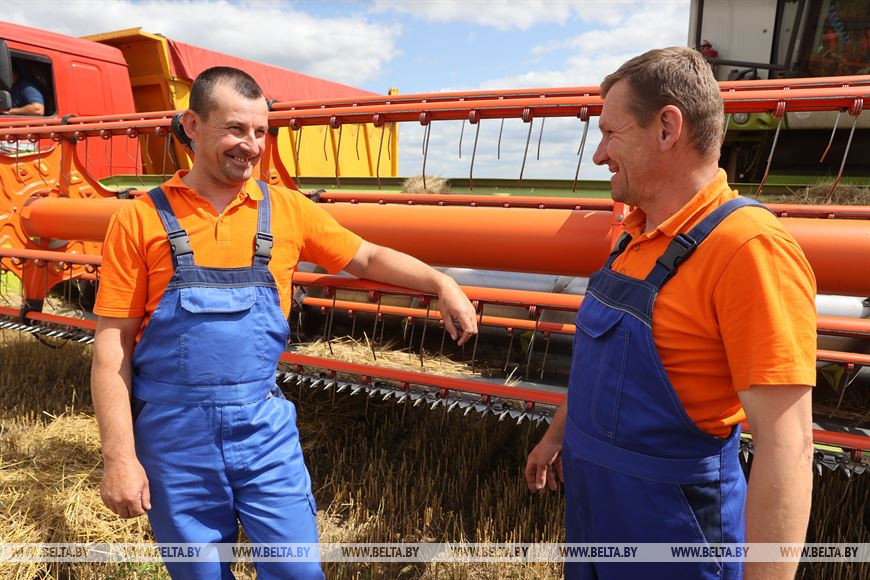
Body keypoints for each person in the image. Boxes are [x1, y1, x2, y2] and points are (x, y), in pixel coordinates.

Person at [91, 66, 477, 579]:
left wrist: (440, 282)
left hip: (262, 428)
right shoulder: (138, 219)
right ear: (192, 124)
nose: (250, 145)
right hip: (172, 437)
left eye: (259, 131)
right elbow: (111, 348)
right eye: (234, 129)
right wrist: (119, 457)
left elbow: (365, 257)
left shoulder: (287, 210)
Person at [524, 47, 815, 580]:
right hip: (594, 519)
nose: (598, 154)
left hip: (676, 537)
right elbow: (600, 364)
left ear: (667, 127)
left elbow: (788, 447)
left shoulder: (748, 248)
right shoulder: (635, 236)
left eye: (611, 134)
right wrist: (557, 436)